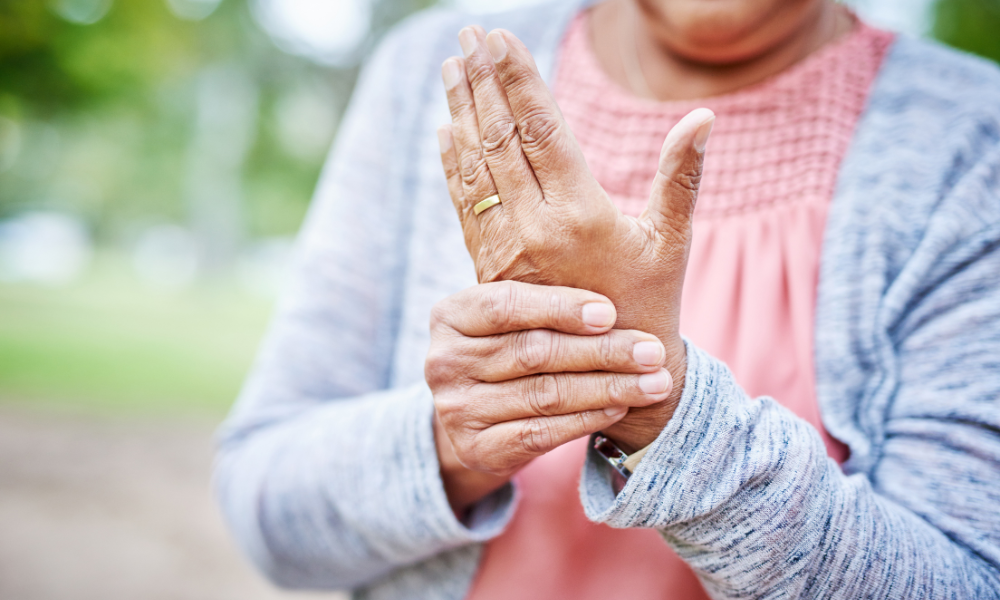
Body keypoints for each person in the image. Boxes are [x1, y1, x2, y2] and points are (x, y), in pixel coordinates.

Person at [214, 0, 1000, 597]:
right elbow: (269, 510)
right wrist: (450, 443)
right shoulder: (436, 71)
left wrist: (662, 409)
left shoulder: (970, 137)